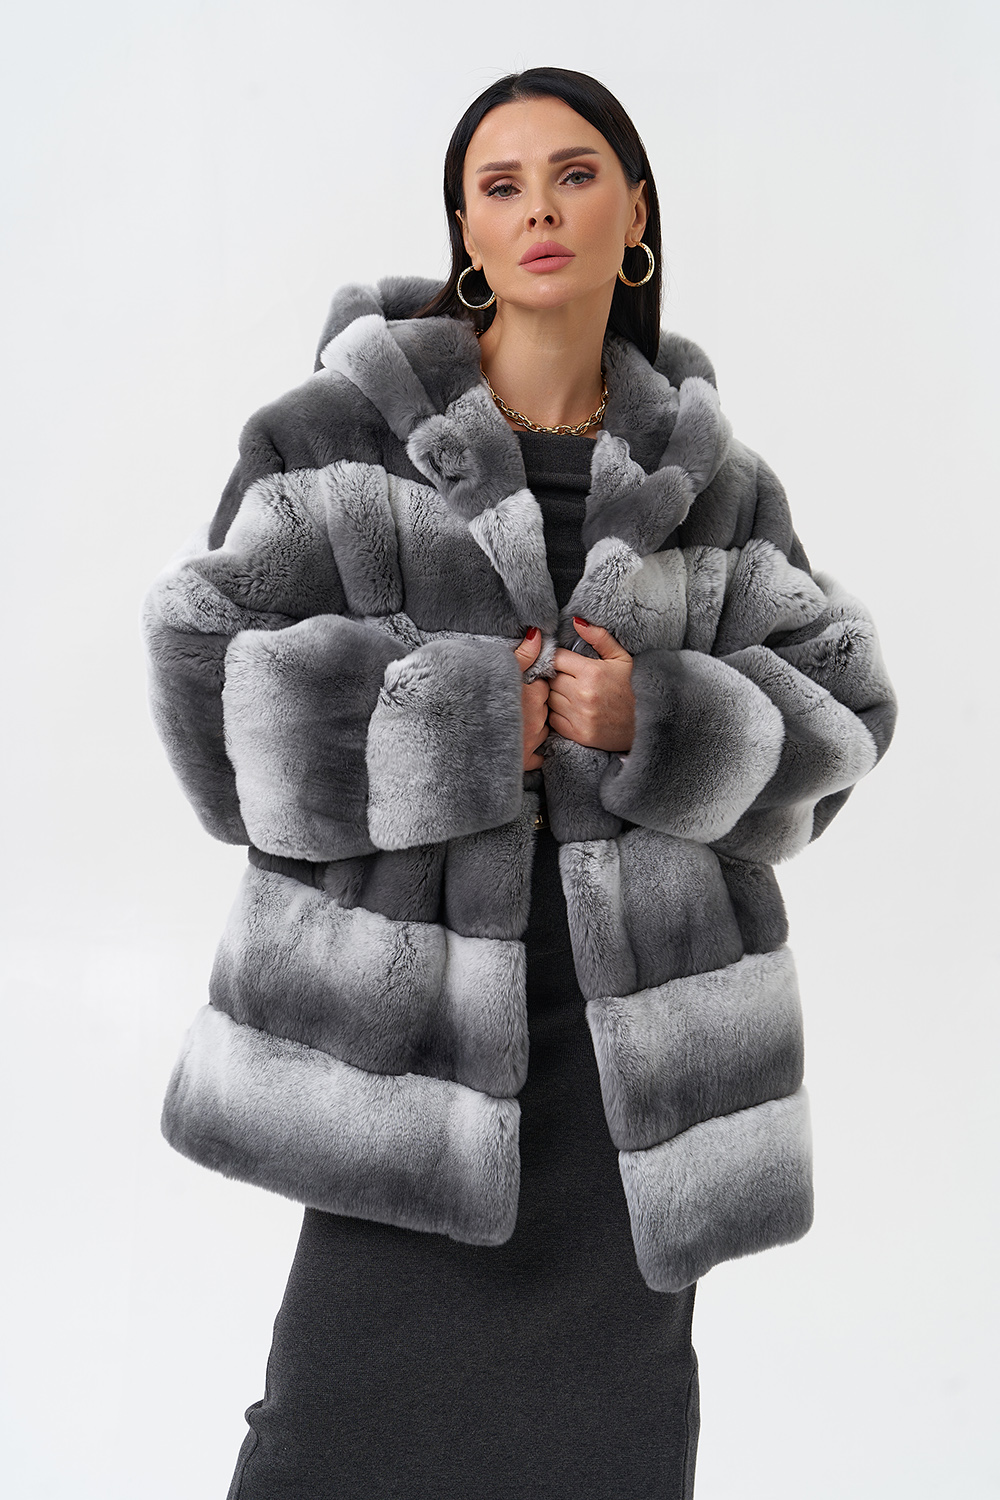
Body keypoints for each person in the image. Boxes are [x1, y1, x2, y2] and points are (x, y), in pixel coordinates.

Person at [141, 66, 895, 1500]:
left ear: (634, 215)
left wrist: (661, 718)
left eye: (574, 174)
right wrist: (466, 723)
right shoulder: (334, 441)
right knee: (332, 1437)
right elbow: (203, 677)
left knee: (607, 1450)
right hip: (400, 1047)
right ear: (468, 233)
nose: (540, 208)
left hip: (636, 1067)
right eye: (502, 186)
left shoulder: (715, 484)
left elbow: (846, 708)